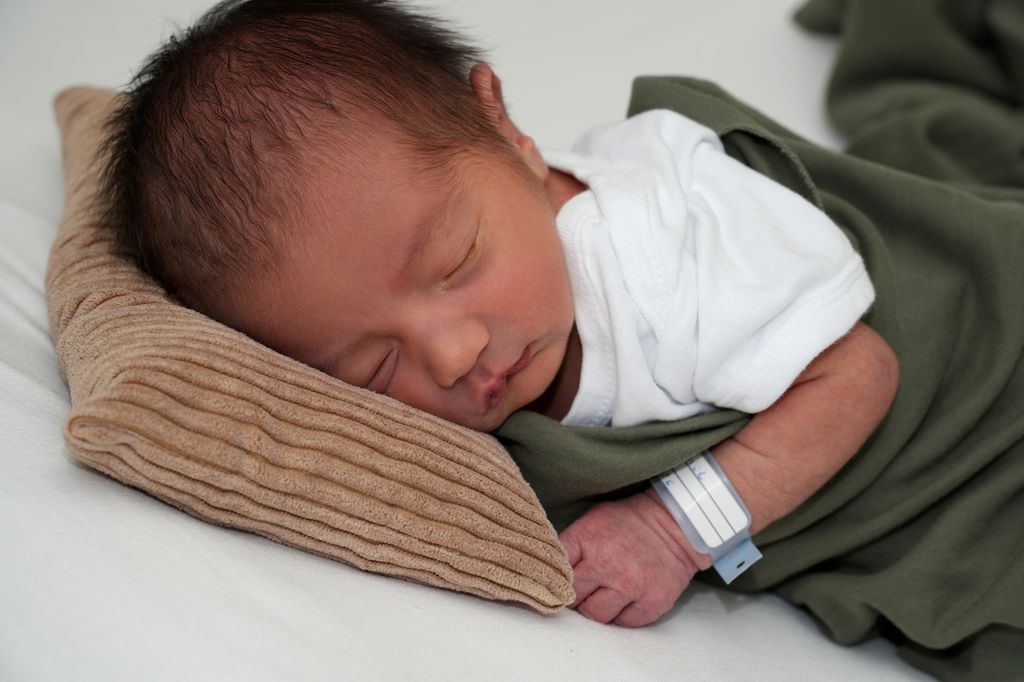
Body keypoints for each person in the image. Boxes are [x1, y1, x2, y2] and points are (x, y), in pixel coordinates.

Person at [102, 0, 899, 627]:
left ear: (503, 127)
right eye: (374, 367)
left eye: (455, 263)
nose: (452, 357)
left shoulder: (660, 255)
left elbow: (857, 370)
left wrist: (672, 530)